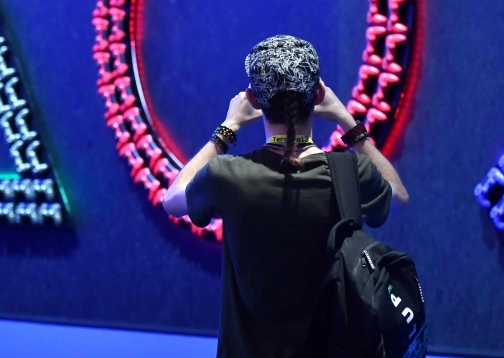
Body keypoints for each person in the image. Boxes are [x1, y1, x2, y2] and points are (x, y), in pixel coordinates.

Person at [163, 35, 409, 358]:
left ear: (252, 98)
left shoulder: (228, 175)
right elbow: (398, 195)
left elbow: (173, 199)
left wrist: (227, 129)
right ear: (319, 94)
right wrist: (349, 124)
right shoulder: (351, 171)